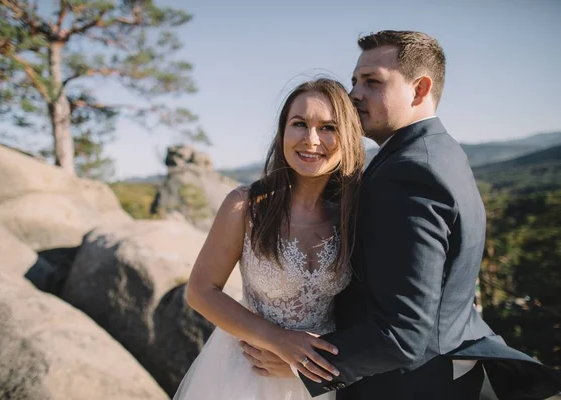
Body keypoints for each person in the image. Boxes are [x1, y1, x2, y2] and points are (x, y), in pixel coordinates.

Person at [242, 30, 561, 399]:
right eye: (354, 81)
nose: (354, 94)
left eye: (372, 82)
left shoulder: (409, 174)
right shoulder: (439, 151)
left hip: (408, 386)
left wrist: (306, 365)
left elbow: (404, 332)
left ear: (419, 90)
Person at [172, 78, 365, 400]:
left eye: (328, 127)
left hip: (321, 379)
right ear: (282, 132)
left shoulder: (356, 213)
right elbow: (201, 291)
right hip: (248, 374)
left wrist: (306, 362)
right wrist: (279, 342)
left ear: (349, 136)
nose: (311, 139)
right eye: (299, 124)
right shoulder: (246, 205)